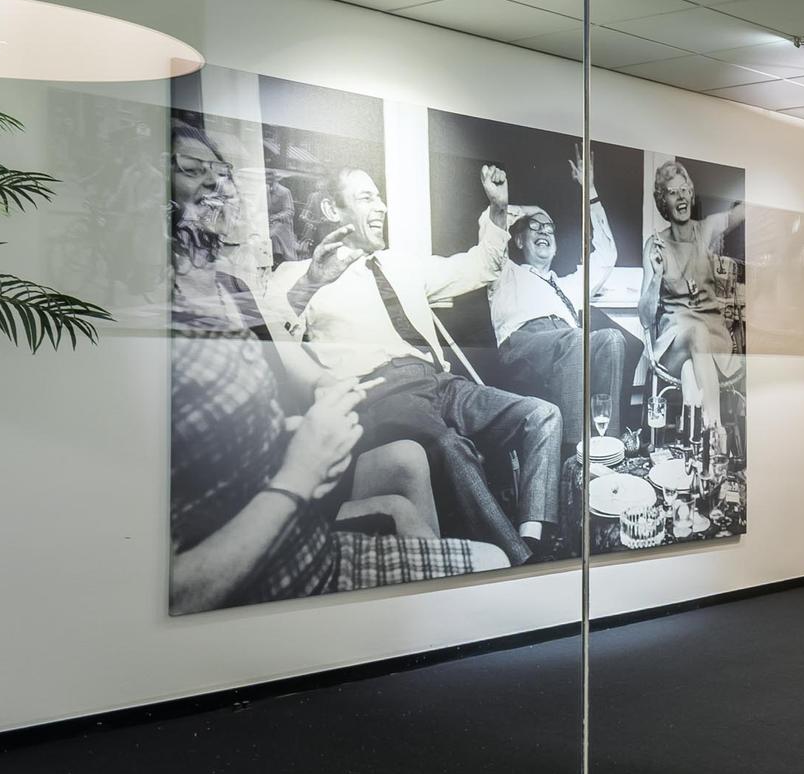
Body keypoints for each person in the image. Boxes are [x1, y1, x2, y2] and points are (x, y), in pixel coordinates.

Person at [164, 118, 500, 612]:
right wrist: (309, 285)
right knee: (452, 468)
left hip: (401, 409)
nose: (216, 184)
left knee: (428, 454)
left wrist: (327, 389)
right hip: (293, 534)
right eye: (193, 170)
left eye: (220, 172)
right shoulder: (171, 310)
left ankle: (444, 605)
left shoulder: (231, 290)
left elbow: (285, 360)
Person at [267, 163, 565, 561]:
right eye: (366, 198)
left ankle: (534, 539)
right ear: (331, 210)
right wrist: (310, 285)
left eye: (380, 197)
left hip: (441, 383)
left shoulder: (402, 264)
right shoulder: (297, 275)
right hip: (380, 393)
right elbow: (272, 341)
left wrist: (498, 209)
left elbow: (480, 266)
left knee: (542, 415)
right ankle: (518, 563)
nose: (382, 207)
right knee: (449, 447)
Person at [475, 157, 637, 452]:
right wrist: (530, 209)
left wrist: (590, 191)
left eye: (549, 229)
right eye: (535, 228)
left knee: (611, 339)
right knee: (576, 339)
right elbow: (491, 232)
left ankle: (606, 451)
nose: (544, 232)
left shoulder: (568, 285)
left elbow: (607, 256)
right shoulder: (504, 272)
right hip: (521, 348)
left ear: (556, 246)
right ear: (519, 241)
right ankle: (574, 458)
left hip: (567, 347)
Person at [639, 156, 745, 464]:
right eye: (672, 192)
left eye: (684, 189)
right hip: (675, 341)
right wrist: (657, 276)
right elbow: (644, 317)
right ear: (663, 201)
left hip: (714, 339)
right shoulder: (655, 245)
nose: (681, 197)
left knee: (692, 368)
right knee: (695, 336)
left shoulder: (706, 229)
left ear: (692, 193)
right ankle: (716, 435)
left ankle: (691, 447)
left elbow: (737, 214)